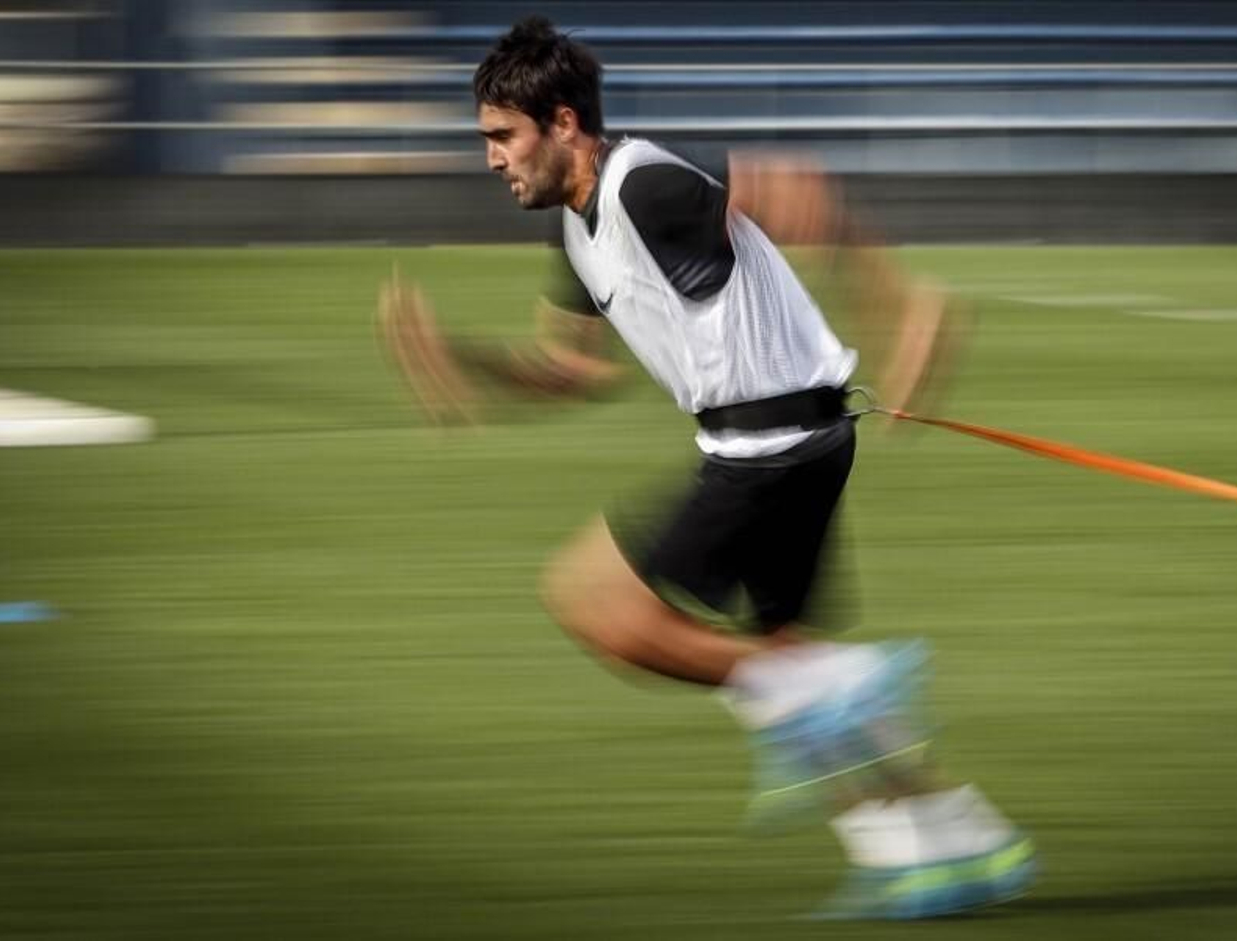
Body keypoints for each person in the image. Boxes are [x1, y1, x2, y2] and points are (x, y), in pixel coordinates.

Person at [378, 16, 1036, 919]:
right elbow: (572, 374)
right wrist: (463, 359)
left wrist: (909, 307)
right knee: (784, 657)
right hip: (783, 445)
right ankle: (947, 840)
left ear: (563, 122)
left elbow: (799, 190)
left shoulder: (644, 182)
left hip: (767, 450)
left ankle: (832, 691)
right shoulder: (578, 229)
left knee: (594, 603)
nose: (491, 157)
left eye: (502, 135)